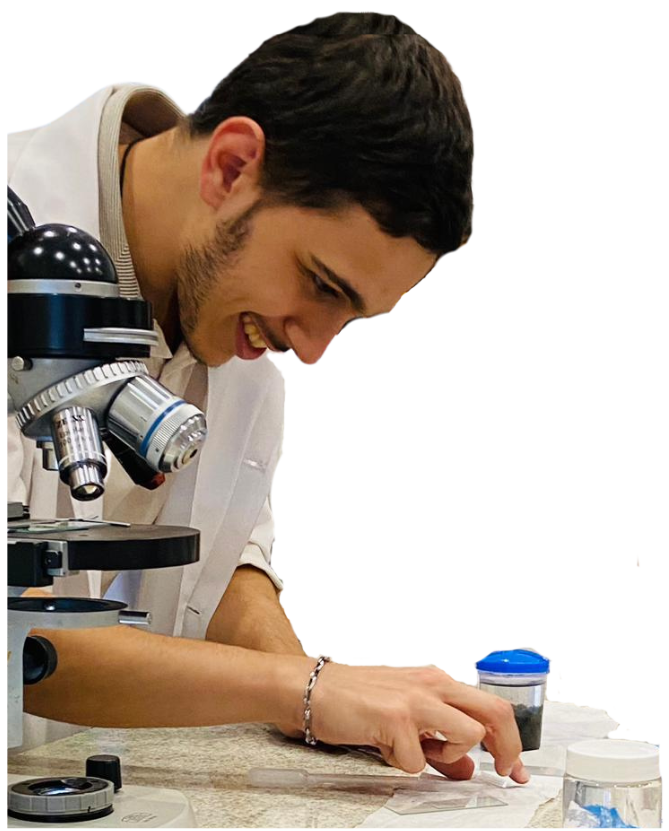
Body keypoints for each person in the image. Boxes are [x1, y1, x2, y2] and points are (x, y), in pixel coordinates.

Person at [6, 13, 519, 784]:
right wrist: (303, 690)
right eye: (321, 284)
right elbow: (20, 636)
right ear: (232, 166)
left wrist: (331, 699)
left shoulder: (231, 323)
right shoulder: (21, 236)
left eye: (351, 316)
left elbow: (219, 565)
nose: (311, 348)